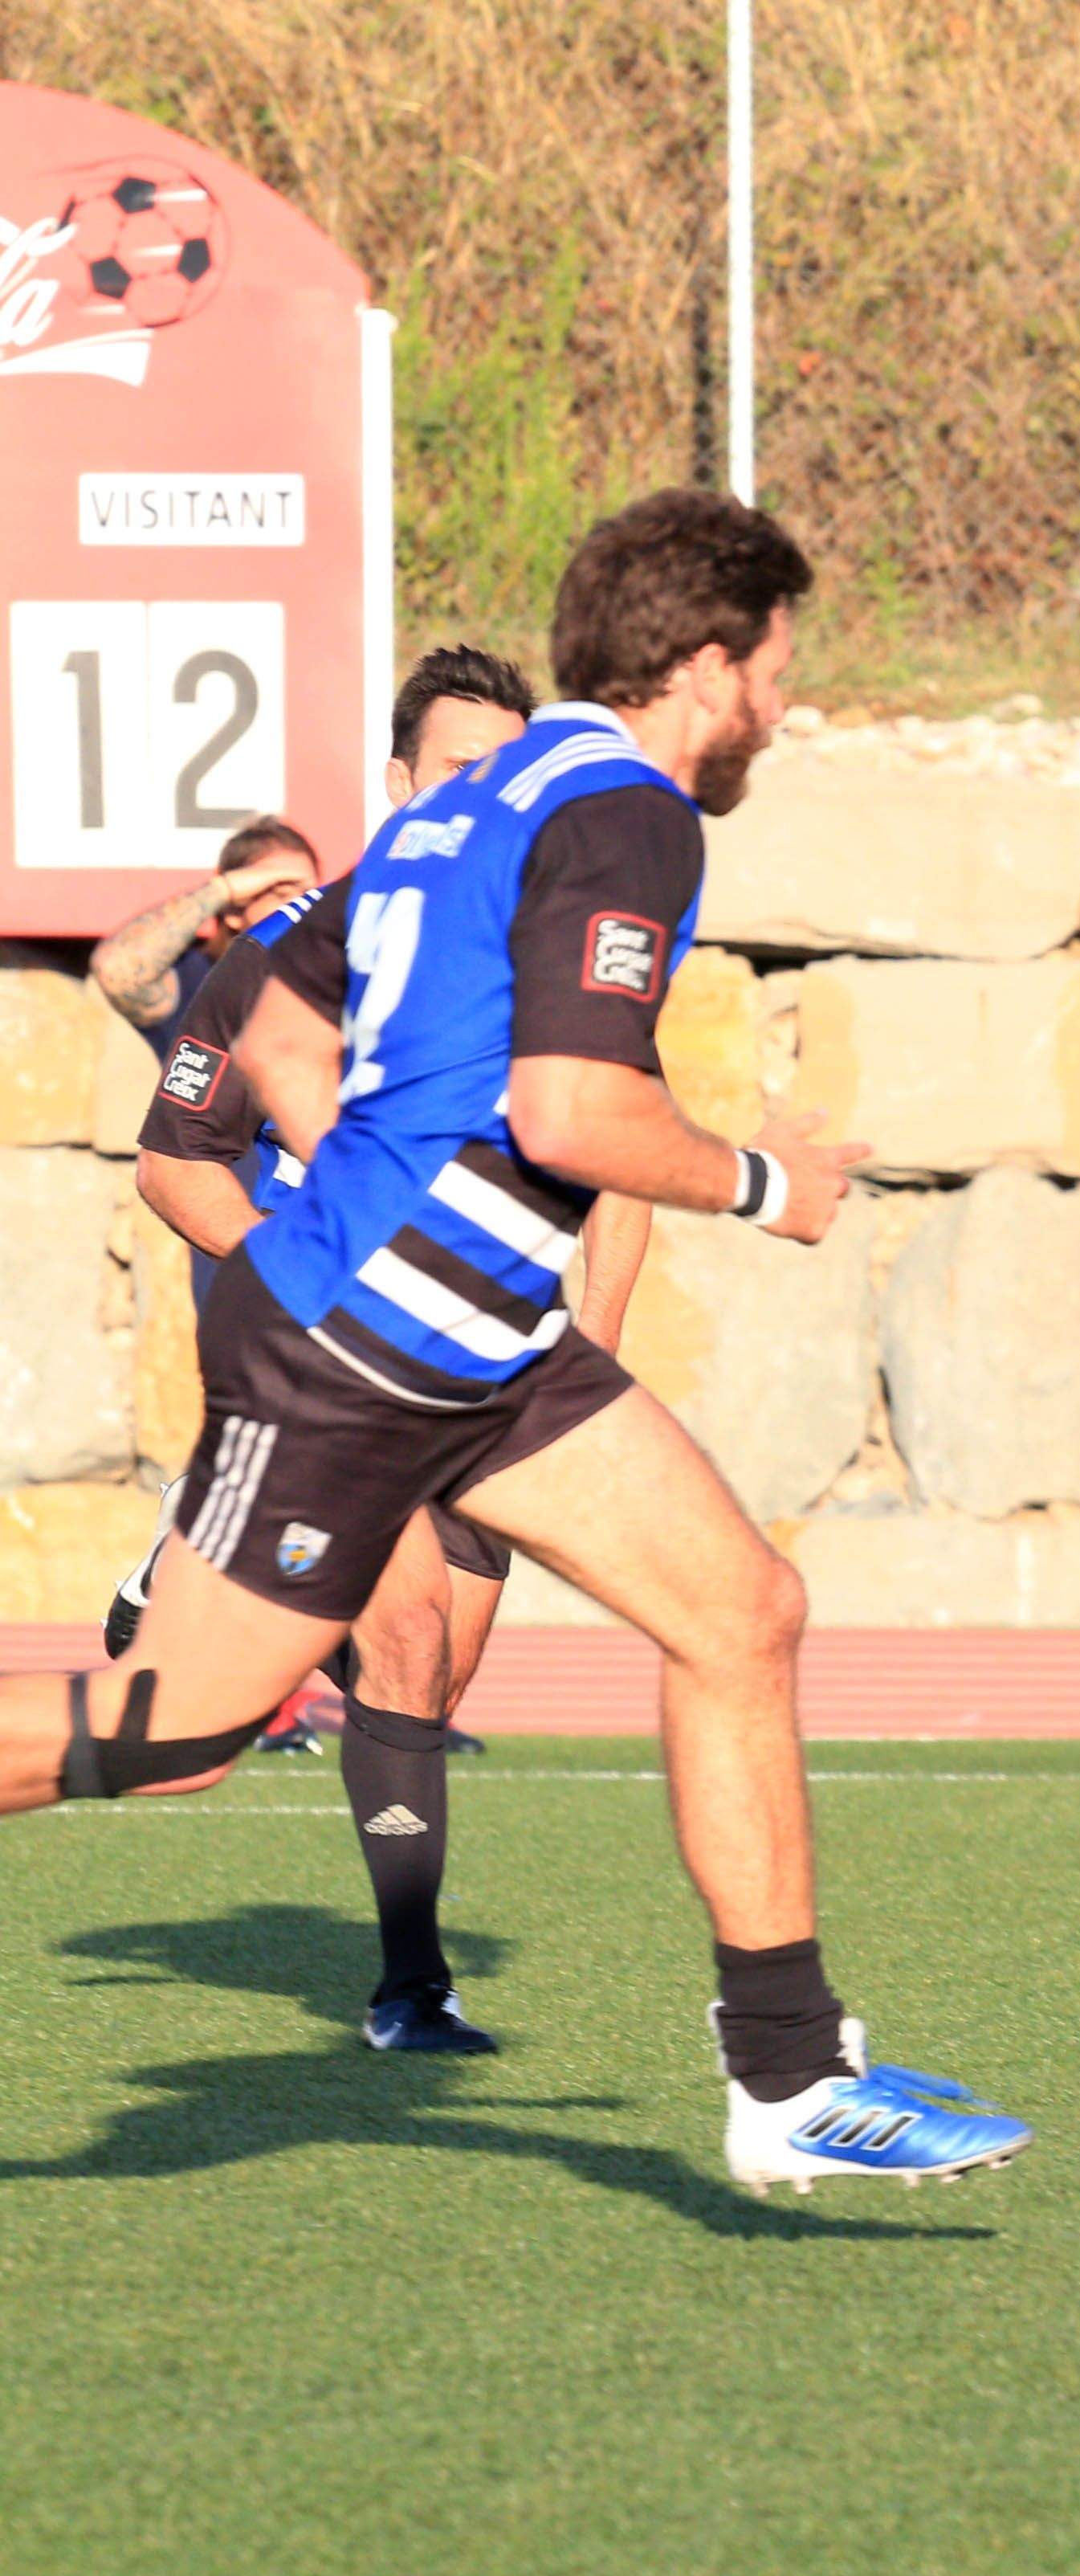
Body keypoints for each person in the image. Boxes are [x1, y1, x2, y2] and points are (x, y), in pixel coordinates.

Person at [0, 489, 1030, 2194]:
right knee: (175, 1732)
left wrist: (377, 1162)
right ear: (707, 667)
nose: (785, 704)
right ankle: (784, 2078)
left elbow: (272, 1014)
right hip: (359, 1349)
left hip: (485, 1346)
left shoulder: (470, 802)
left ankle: (788, 2083)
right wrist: (765, 1181)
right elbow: (569, 1113)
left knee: (742, 1609)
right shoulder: (631, 816)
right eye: (778, 668)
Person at [114, 645, 623, 2052]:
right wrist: (303, 1281)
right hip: (347, 1356)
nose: (483, 792)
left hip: (499, 1354)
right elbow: (175, 1164)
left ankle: (211, 1563)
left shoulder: (555, 947)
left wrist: (594, 1356)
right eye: (456, 767)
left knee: (432, 1679)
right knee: (396, 1639)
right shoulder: (299, 950)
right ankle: (411, 1989)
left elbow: (615, 1169)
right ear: (400, 784)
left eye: (505, 770)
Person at [87, 814, 318, 1059]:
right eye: (281, 894)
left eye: (310, 897)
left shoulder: (330, 984)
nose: (301, 910)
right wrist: (223, 889)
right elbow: (115, 969)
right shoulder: (196, 980)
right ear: (234, 911)